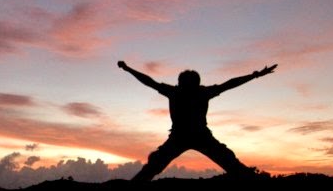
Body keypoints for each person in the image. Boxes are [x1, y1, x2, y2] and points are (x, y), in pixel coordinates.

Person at [117, 61, 277, 182]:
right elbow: (228, 84)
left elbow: (149, 82)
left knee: (231, 163)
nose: (184, 86)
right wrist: (255, 75)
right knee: (154, 166)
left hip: (193, 136)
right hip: (187, 136)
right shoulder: (197, 92)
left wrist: (128, 69)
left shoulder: (178, 92)